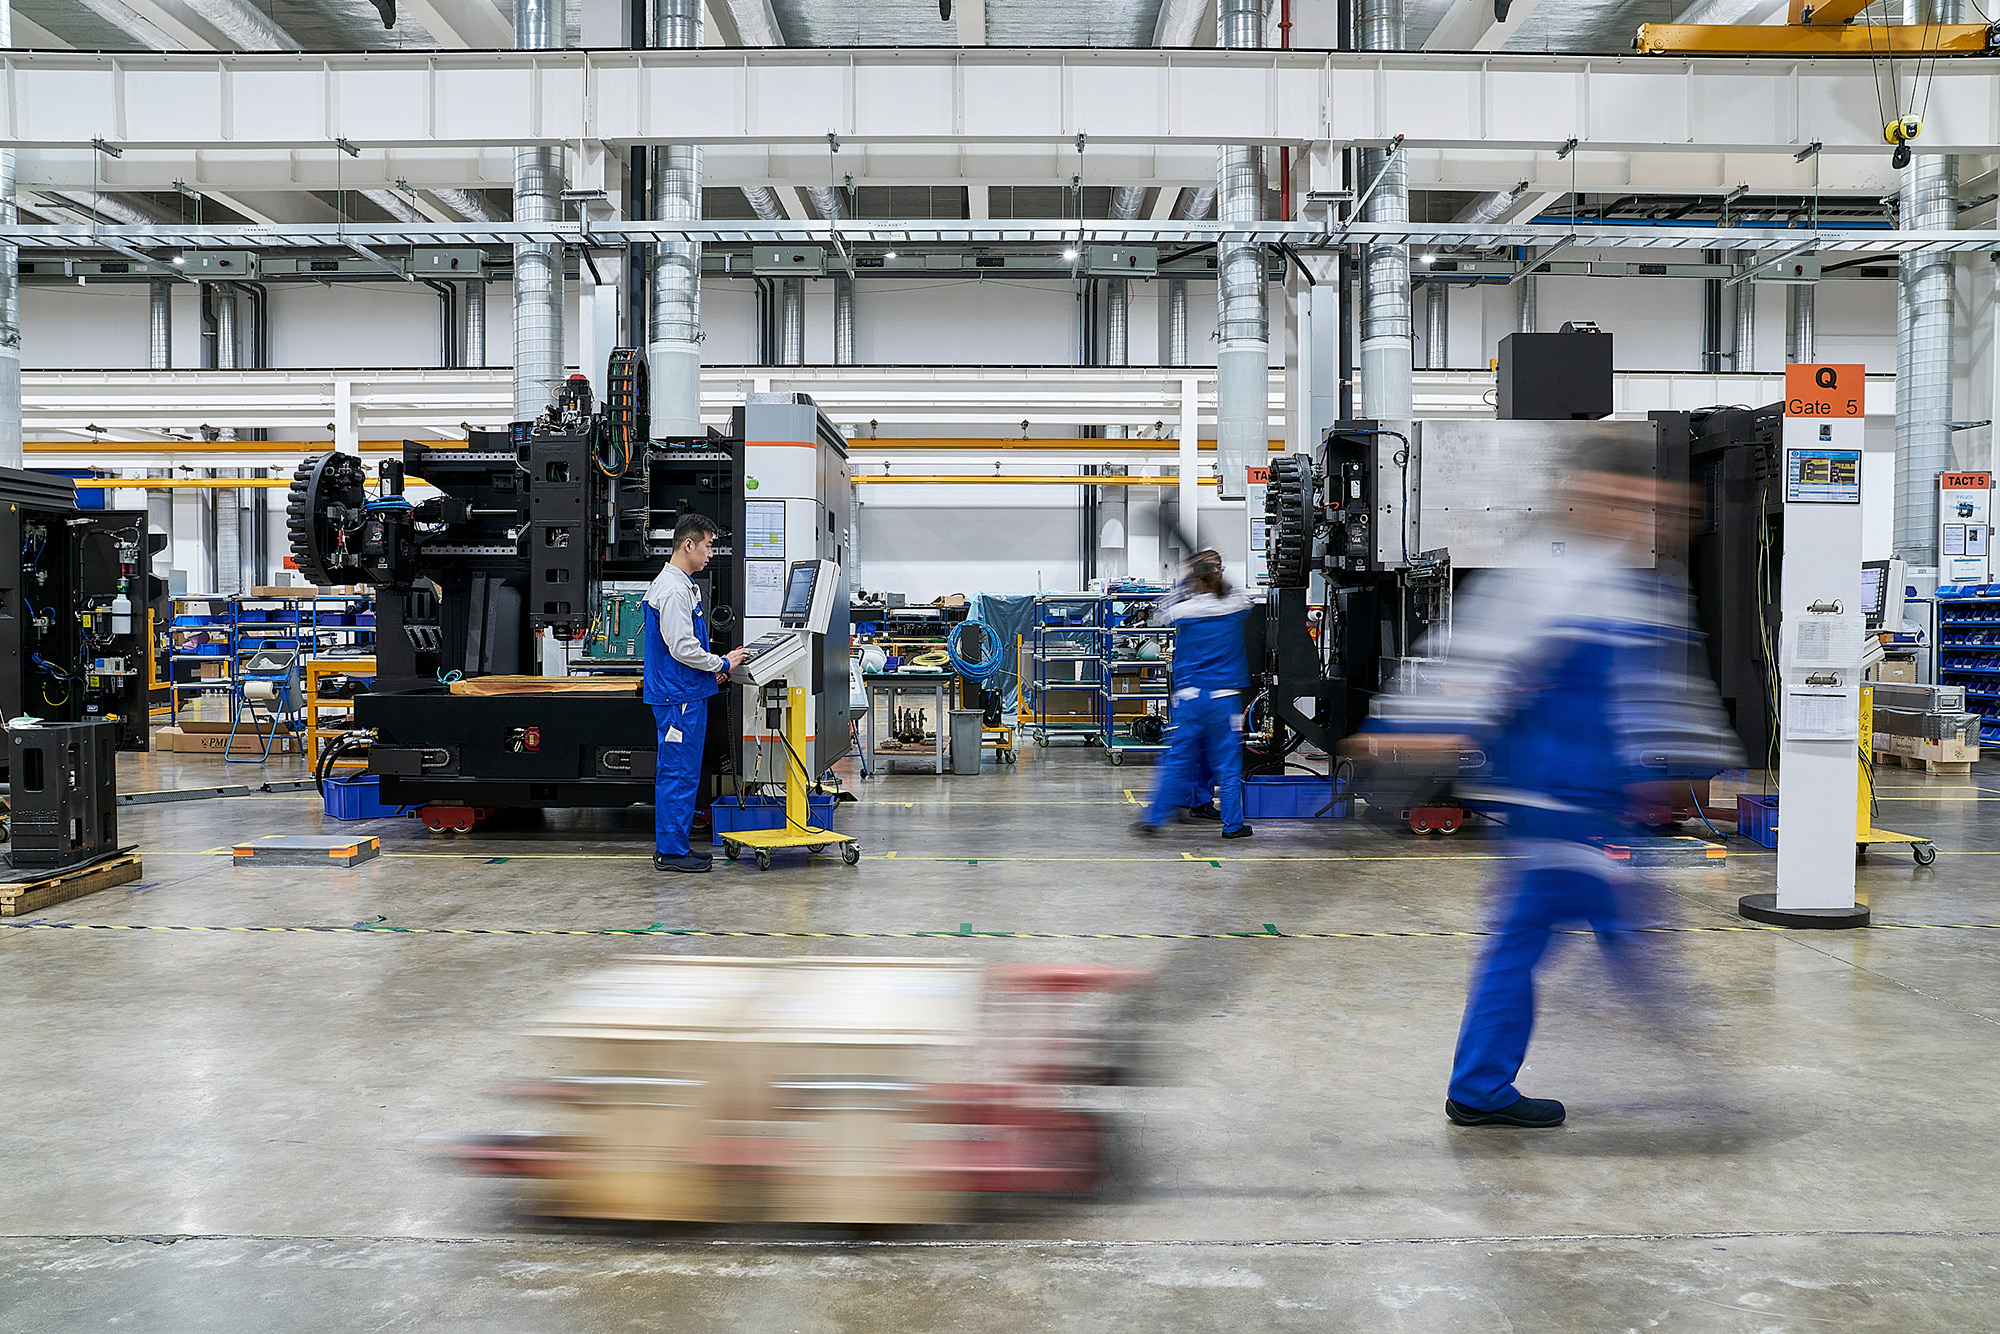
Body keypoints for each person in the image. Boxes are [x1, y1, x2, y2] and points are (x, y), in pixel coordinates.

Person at [1359, 455, 1739, 1128]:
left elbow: (1657, 696)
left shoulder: (1631, 588)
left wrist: (1694, 770)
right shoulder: (1553, 580)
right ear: (1584, 501)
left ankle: (1480, 1086)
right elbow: (1473, 657)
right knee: (1627, 938)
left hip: (1585, 804)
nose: (1645, 518)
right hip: (1565, 807)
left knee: (1529, 943)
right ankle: (1705, 1078)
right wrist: (1402, 731)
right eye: (1625, 500)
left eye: (1651, 505)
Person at [643, 514, 750, 874]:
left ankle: (677, 845)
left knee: (684, 773)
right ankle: (671, 852)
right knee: (676, 774)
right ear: (688, 544)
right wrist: (721, 663)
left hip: (686, 692)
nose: (710, 554)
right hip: (678, 699)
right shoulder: (673, 589)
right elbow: (682, 647)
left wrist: (712, 675)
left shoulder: (681, 584)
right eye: (707, 546)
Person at [1133, 551, 1255, 839]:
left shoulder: (1183, 611)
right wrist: (1214, 574)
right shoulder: (1235, 607)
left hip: (1189, 699)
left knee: (1176, 760)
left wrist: (1188, 577)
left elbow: (1162, 609)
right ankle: (1233, 825)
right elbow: (1242, 597)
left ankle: (1154, 818)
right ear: (1219, 574)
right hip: (1224, 699)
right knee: (1227, 765)